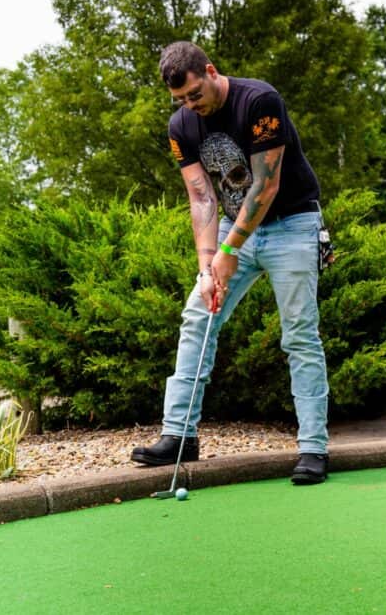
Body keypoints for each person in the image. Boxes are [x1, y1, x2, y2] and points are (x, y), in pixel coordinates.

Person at [131, 41, 331, 485]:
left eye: (194, 94)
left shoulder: (259, 101)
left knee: (299, 333)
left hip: (292, 224)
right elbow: (202, 198)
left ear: (210, 71)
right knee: (197, 317)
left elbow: (265, 184)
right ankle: (180, 436)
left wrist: (229, 252)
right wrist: (208, 267)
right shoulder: (181, 126)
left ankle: (313, 449)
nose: (190, 106)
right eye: (181, 100)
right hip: (232, 230)